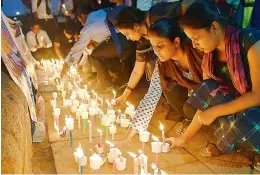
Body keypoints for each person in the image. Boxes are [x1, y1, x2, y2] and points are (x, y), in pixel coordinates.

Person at [165, 0, 260, 162]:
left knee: (247, 119)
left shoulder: (251, 43)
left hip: (254, 110)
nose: (194, 45)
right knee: (206, 88)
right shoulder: (209, 57)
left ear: (214, 27)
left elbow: (257, 95)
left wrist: (216, 111)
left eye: (196, 38)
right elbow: (205, 100)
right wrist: (183, 139)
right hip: (236, 109)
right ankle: (233, 139)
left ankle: (231, 140)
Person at [113, 18, 204, 147]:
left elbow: (210, 91)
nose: (156, 51)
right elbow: (151, 96)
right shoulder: (163, 63)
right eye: (153, 46)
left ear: (176, 41)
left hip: (215, 97)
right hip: (196, 96)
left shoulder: (198, 52)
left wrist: (183, 139)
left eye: (160, 46)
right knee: (170, 91)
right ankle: (192, 119)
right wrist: (127, 137)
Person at [114, 1, 196, 106]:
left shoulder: (157, 14)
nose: (127, 38)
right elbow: (137, 70)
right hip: (176, 61)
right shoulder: (142, 39)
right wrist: (125, 95)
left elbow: (186, 5)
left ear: (135, 26)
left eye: (127, 34)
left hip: (191, 49)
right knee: (163, 83)